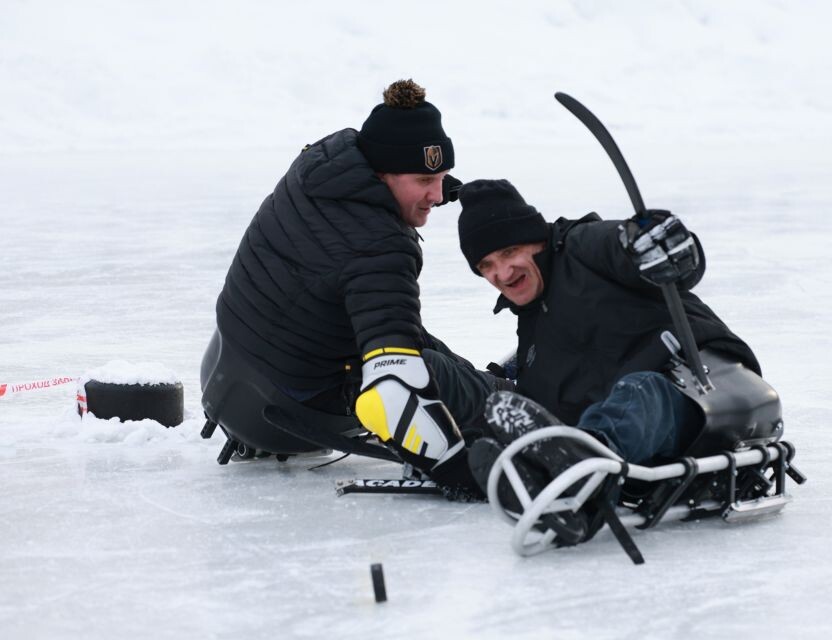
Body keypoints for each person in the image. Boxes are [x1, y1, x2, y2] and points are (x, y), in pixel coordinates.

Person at [202, 80, 499, 496]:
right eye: (423, 180)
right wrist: (459, 470)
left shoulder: (323, 164)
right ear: (383, 173)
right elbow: (396, 383)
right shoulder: (380, 247)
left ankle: (489, 382)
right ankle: (513, 403)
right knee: (421, 364)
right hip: (294, 414)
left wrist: (445, 188)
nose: (436, 194)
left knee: (407, 334)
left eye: (442, 178)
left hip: (230, 374)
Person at [454, 179, 773, 498]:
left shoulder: (580, 247)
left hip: (707, 392)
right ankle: (555, 474)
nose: (502, 273)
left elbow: (623, 246)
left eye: (509, 252)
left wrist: (653, 243)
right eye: (486, 265)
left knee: (641, 393)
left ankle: (585, 471)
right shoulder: (534, 331)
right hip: (647, 445)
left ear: (535, 238)